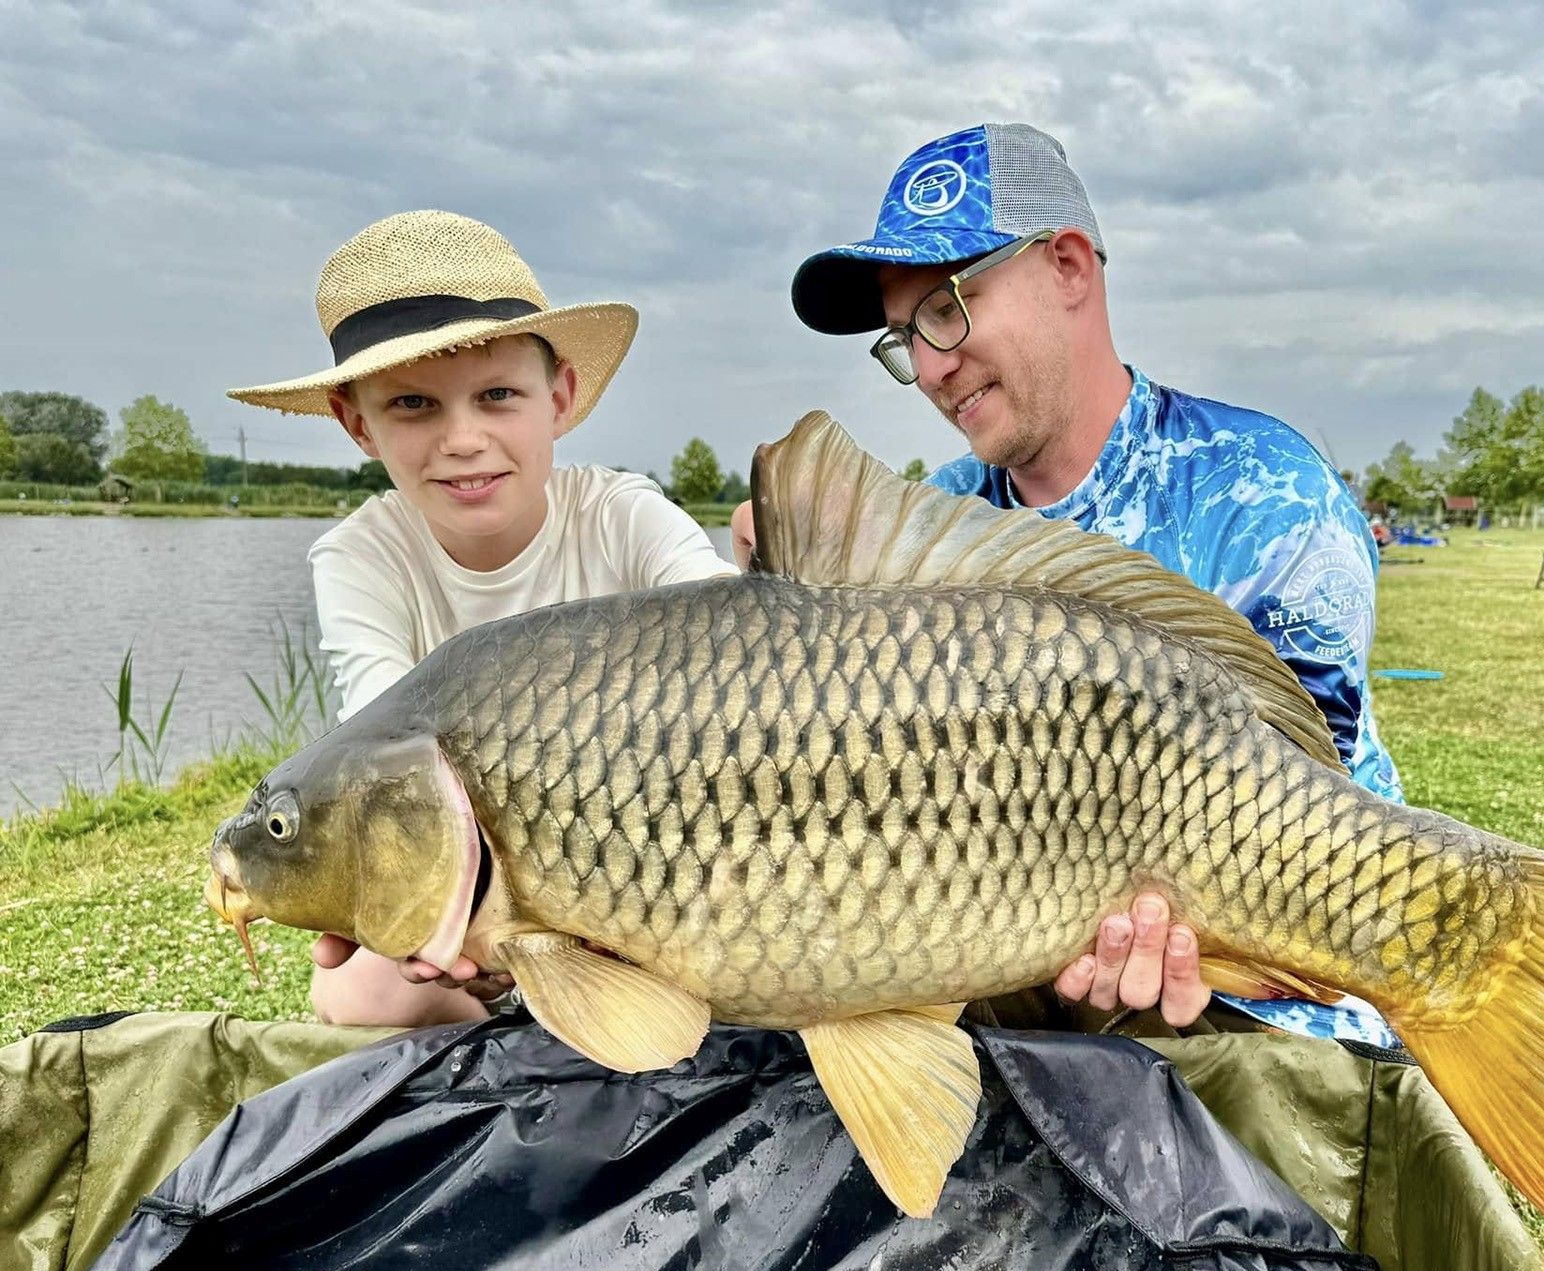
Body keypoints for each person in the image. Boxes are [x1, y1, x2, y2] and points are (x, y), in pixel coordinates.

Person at [745, 123, 1404, 1045]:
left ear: (1067, 268)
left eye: (946, 307)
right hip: (1018, 966)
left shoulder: (1261, 490)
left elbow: (1307, 810)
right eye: (904, 339)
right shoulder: (940, 522)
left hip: (1285, 979)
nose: (931, 368)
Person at [228, 210, 737, 1027]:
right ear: (359, 423)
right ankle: (502, 1063)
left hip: (651, 863)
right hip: (481, 874)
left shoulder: (624, 517)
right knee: (356, 990)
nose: (464, 439)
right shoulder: (360, 559)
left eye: (498, 396)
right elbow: (380, 751)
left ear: (559, 397)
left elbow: (742, 644)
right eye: (414, 406)